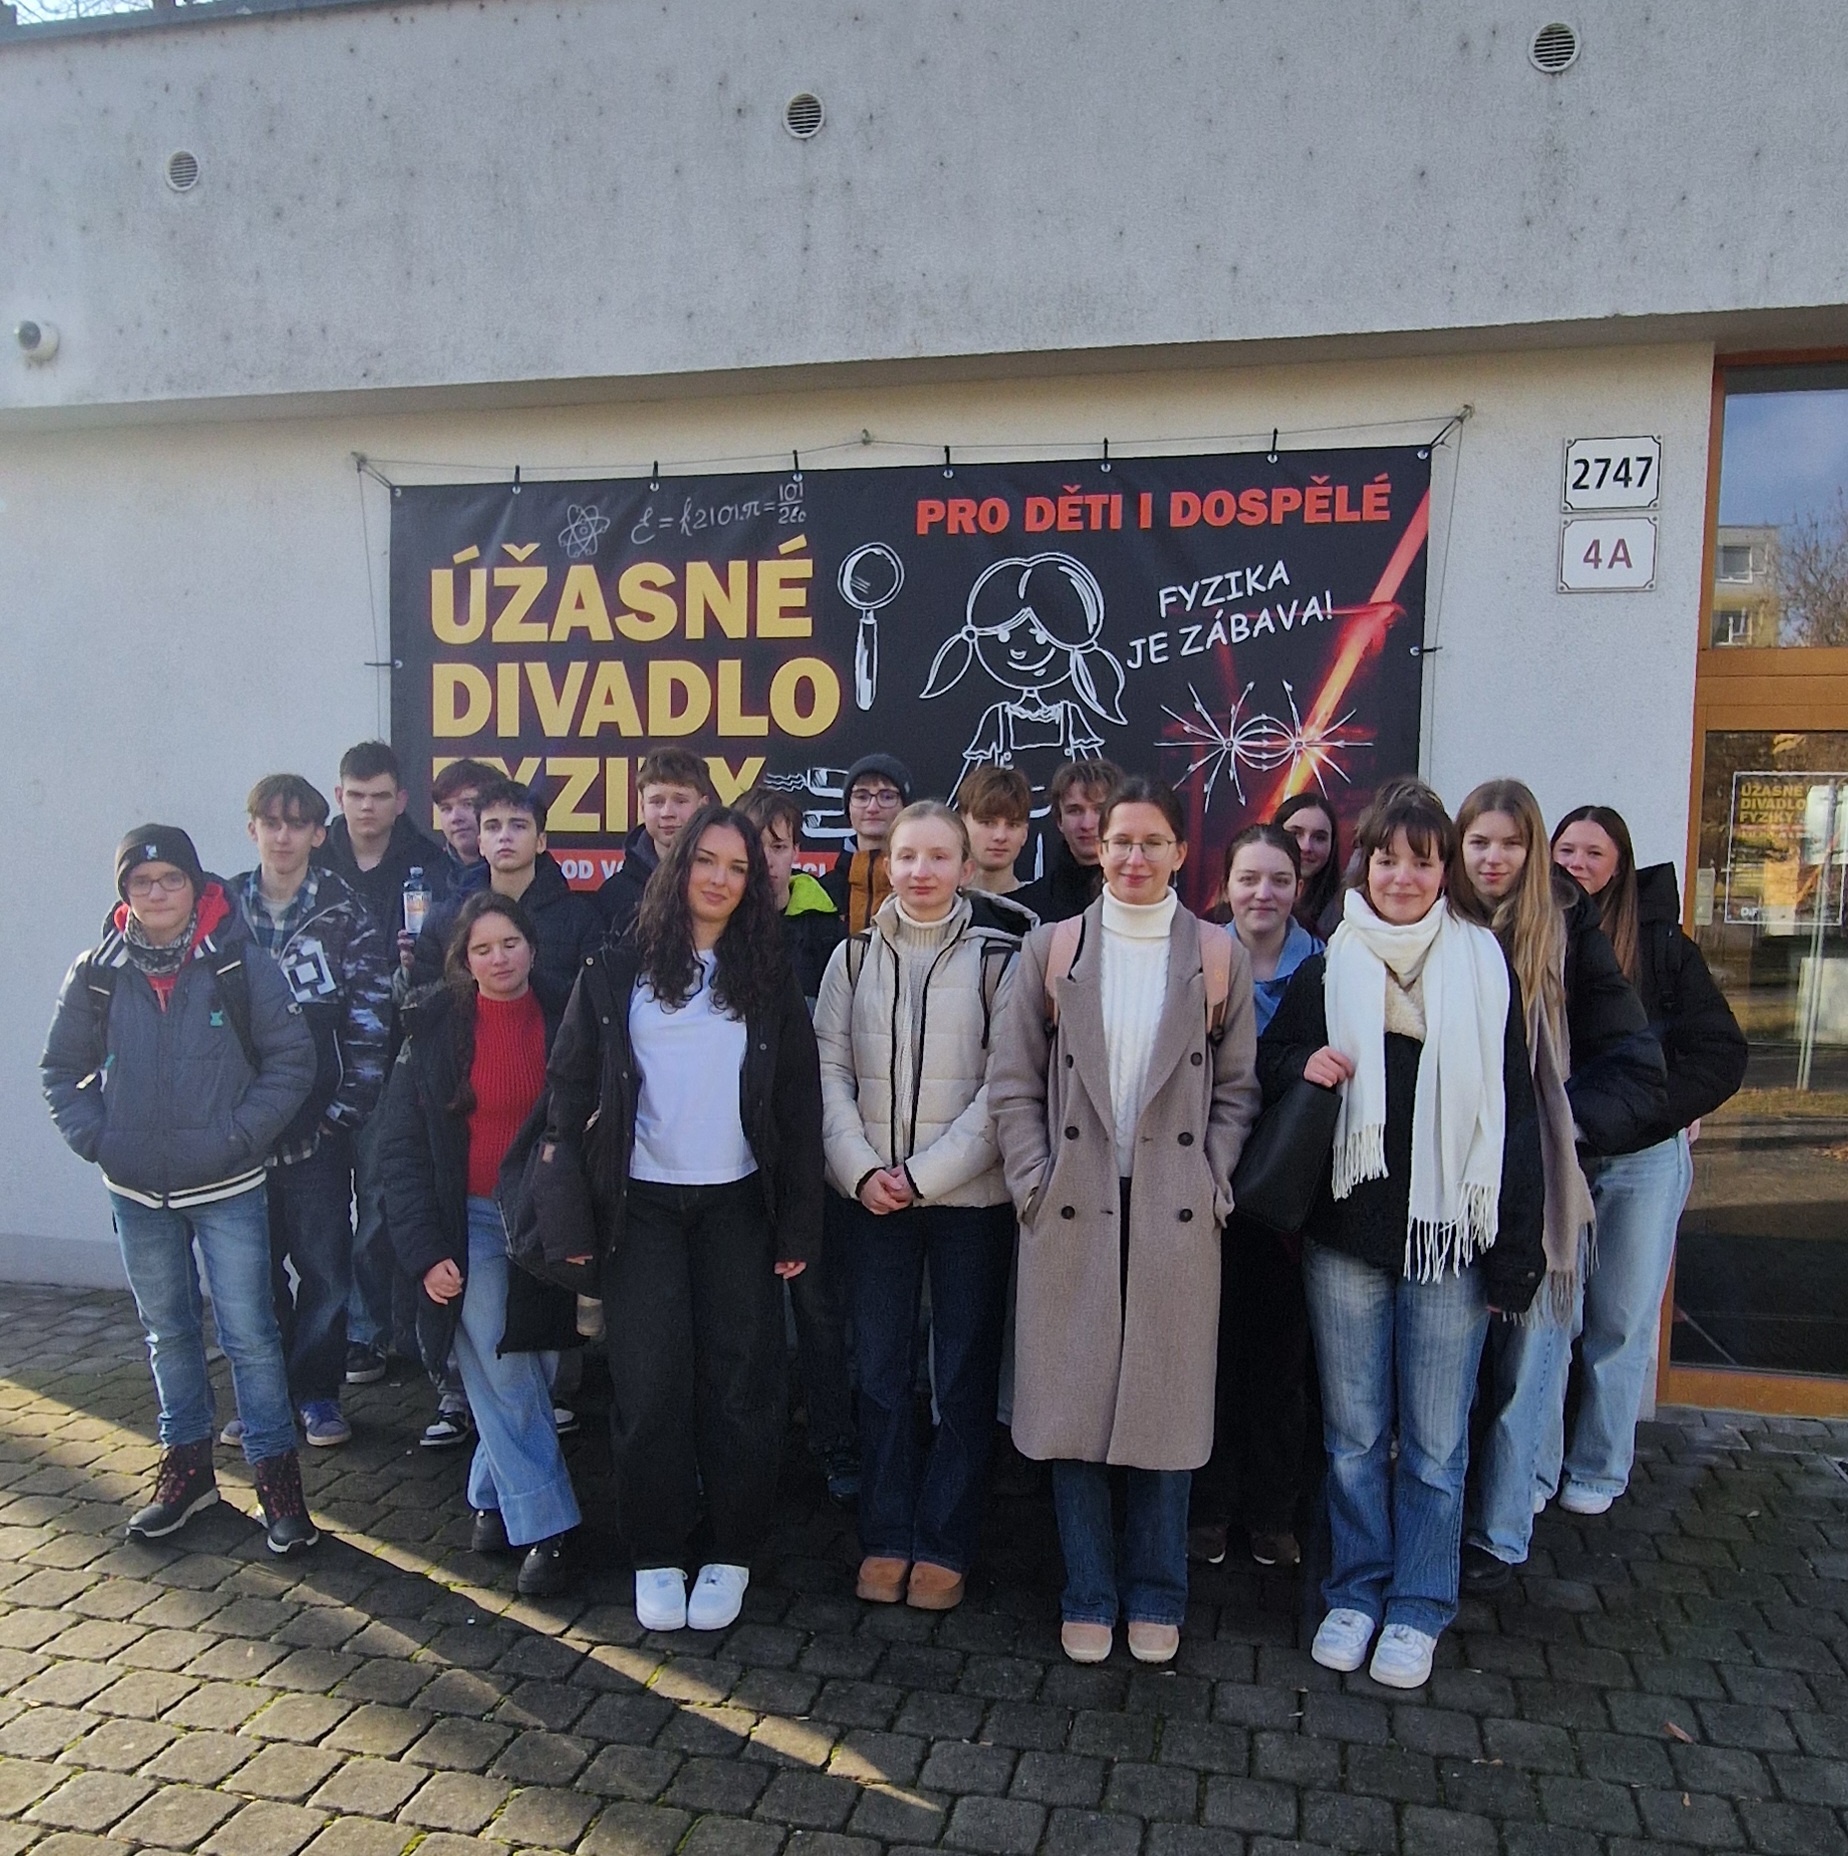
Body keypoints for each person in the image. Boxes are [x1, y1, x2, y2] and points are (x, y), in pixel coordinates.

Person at [1260, 780, 1544, 1689]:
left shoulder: (1483, 966)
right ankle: (1354, 1591)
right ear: (1365, 865)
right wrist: (1302, 1062)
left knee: (1435, 1446)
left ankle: (1419, 1604)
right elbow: (1270, 1063)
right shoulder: (1331, 963)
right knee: (1351, 1439)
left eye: (1422, 860)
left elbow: (1517, 1114)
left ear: (1445, 869)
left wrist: (1516, 1254)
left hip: (1448, 1247)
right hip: (1346, 1240)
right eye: (1387, 858)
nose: (1403, 876)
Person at [991, 776, 1260, 1667]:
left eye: (1152, 842)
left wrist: (1212, 1178)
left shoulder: (1217, 954)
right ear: (1097, 849)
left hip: (1174, 1209)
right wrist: (1034, 1181)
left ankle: (1157, 1592)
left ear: (1182, 852)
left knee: (1165, 1414)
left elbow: (1238, 1090)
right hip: (1072, 1203)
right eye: (1120, 842)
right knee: (1074, 1409)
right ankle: (1088, 1592)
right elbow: (1012, 1081)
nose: (1134, 858)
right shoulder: (1053, 948)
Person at [545, 804, 824, 1632]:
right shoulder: (615, 966)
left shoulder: (767, 973)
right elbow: (567, 1093)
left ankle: (733, 1547)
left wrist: (798, 1225)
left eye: (738, 868)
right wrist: (572, 1221)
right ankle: (657, 1551)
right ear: (678, 867)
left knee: (740, 1385)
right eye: (707, 860)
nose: (720, 879)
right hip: (641, 1209)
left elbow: (798, 1106)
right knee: (650, 1385)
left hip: (738, 1203)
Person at [41, 826, 321, 1553]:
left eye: (171, 879)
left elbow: (293, 1061)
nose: (157, 892)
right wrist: (101, 1140)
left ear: (196, 886)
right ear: (124, 894)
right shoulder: (97, 973)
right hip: (137, 1194)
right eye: (142, 882)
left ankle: (277, 1484)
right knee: (168, 1333)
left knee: (250, 1335)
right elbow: (60, 1071)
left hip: (229, 1183)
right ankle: (188, 1473)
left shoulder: (238, 962)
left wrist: (240, 1134)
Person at [1449, 781, 1666, 1593]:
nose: (1493, 858)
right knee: (1457, 1372)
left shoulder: (1568, 932)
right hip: (1452, 1183)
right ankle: (1449, 1519)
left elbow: (1637, 1067)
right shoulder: (1438, 924)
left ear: (1532, 850)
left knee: (1527, 1369)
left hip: (1540, 1193)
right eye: (1479, 842)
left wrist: (1559, 1126)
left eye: (1510, 843)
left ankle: (1500, 1534)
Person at [816, 801, 1022, 1612]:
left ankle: (944, 1541)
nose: (920, 871)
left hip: (969, 1201)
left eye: (939, 857)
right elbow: (828, 1073)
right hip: (872, 1200)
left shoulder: (1002, 957)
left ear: (967, 869)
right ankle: (886, 1532)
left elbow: (1006, 1089)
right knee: (881, 1372)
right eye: (907, 856)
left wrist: (923, 1175)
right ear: (886, 863)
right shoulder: (853, 957)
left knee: (961, 1375)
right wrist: (862, 1171)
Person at [379, 891, 582, 1597]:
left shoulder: (570, 1015)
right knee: (505, 1361)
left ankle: (491, 1498)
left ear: (532, 946)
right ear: (463, 961)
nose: (499, 959)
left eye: (510, 944)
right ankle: (548, 1527)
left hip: (548, 1220)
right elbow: (400, 1151)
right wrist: (424, 1251)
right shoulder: (434, 1031)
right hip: (468, 1223)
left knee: (539, 1367)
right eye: (482, 949)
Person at [1546, 805, 1746, 1517]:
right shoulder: (1536, 930)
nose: (1576, 863)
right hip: (1563, 1155)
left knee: (1620, 1322)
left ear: (1620, 865)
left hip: (1642, 1161)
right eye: (1565, 849)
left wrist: (1658, 1110)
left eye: (1593, 853)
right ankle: (1536, 1465)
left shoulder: (1662, 946)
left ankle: (1597, 1468)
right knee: (1552, 1324)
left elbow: (1719, 1053)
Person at [231, 774, 393, 1450]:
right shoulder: (220, 911)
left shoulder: (346, 912)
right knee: (252, 1273)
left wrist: (343, 1111)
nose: (283, 835)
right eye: (271, 822)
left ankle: (318, 1393)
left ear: (319, 835)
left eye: (297, 824)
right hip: (237, 1131)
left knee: (324, 1269)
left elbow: (370, 1018)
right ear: (253, 829)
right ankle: (263, 1398)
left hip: (316, 1131)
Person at [1189, 824, 1323, 1571]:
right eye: (1249, 878)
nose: (1263, 893)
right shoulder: (1196, 957)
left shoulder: (1328, 968)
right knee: (1206, 1355)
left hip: (1290, 1197)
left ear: (1298, 887)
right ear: (1226, 885)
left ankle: (1273, 1513)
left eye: (1279, 879)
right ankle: (1207, 1507)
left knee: (1280, 1360)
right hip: (1206, 1181)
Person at [738, 784, 858, 1505]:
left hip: (808, 1151)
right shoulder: (719, 928)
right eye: (754, 845)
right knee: (745, 1313)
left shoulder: (827, 924)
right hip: (735, 1155)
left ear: (796, 851)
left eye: (779, 845)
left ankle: (835, 1441)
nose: (767, 859)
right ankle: (752, 1446)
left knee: (817, 1306)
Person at [321, 740, 447, 1393]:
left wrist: (417, 960)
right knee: (319, 1210)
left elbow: (453, 957)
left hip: (393, 1055)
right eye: (355, 795)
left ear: (401, 800)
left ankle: (367, 1333)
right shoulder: (313, 859)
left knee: (376, 1204)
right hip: (318, 1060)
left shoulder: (430, 865)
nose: (366, 808)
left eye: (379, 796)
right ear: (339, 796)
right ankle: (325, 1330)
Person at [412, 779, 604, 994]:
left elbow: (592, 1002)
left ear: (540, 842)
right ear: (481, 844)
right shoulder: (444, 918)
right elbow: (423, 1001)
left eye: (518, 826)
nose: (504, 837)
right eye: (492, 827)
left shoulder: (580, 919)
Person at [596, 749, 715, 934]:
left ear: (703, 805)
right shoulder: (615, 894)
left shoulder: (721, 884)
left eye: (680, 801)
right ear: (642, 807)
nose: (667, 812)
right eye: (657, 802)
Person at [1012, 758, 1122, 923]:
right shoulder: (1026, 909)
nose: (1087, 824)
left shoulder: (1148, 900)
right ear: (1059, 820)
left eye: (1099, 810)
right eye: (1075, 811)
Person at [823, 754, 912, 933]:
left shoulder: (920, 885)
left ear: (906, 807)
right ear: (848, 808)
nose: (872, 808)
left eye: (887, 797)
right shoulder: (824, 891)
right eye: (861, 797)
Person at [956, 765, 1040, 937]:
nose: (1000, 836)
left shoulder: (1046, 909)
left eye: (1012, 825)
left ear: (1025, 833)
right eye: (987, 823)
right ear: (961, 825)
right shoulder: (941, 907)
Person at [1274, 792, 1344, 939]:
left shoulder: (1346, 915)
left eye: (1319, 838)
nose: (1306, 847)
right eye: (1295, 834)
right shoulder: (1244, 902)